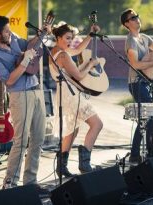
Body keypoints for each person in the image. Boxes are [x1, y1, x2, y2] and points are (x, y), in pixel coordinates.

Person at [0, 16, 47, 190]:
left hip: (36, 89)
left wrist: (41, 34)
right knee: (21, 141)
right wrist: (25, 60)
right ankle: (10, 183)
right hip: (20, 95)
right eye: (5, 30)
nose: (9, 32)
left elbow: (30, 45)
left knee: (38, 139)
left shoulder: (13, 38)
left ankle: (30, 183)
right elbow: (9, 80)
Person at [49, 23, 103, 178]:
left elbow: (78, 49)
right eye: (67, 38)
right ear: (58, 37)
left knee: (72, 131)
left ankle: (61, 167)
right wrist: (91, 64)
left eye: (71, 38)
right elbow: (79, 76)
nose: (69, 41)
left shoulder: (55, 51)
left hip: (64, 94)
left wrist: (90, 35)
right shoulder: (63, 55)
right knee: (97, 124)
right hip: (71, 95)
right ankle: (84, 164)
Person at [120, 9, 153, 164]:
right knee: (149, 116)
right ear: (127, 24)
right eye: (133, 18)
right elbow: (136, 64)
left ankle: (137, 153)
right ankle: (148, 152)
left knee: (147, 118)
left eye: (137, 16)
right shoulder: (131, 41)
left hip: (147, 81)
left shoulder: (144, 38)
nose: (137, 19)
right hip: (136, 83)